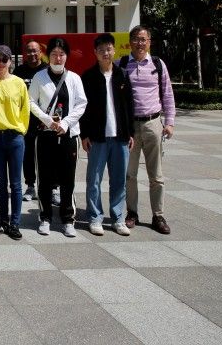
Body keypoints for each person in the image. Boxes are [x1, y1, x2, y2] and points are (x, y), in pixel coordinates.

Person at [29, 37, 87, 237]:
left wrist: (66, 123)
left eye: (62, 54)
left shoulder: (74, 78)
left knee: (67, 179)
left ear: (66, 56)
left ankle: (68, 219)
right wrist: (47, 120)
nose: (58, 57)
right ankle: (45, 217)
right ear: (48, 56)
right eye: (54, 54)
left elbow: (81, 103)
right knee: (44, 178)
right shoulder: (39, 77)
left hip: (69, 135)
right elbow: (31, 101)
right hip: (45, 135)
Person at [120, 25, 176, 234]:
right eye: (136, 39)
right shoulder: (121, 64)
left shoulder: (158, 64)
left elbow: (167, 94)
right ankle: (132, 213)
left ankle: (158, 215)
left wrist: (169, 122)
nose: (139, 43)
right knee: (130, 174)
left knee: (157, 175)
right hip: (130, 127)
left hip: (153, 124)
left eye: (143, 39)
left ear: (149, 42)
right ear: (130, 42)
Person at [81, 33, 135, 236]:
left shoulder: (122, 75)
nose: (106, 53)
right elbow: (83, 108)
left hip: (120, 137)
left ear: (114, 50)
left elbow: (129, 106)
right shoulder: (88, 77)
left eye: (109, 49)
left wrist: (130, 133)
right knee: (94, 179)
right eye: (101, 50)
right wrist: (84, 135)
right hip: (97, 137)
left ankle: (118, 218)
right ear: (95, 52)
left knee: (119, 180)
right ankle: (95, 217)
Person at [0, 45, 30, 240]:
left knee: (16, 184)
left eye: (5, 59)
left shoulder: (19, 83)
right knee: (1, 183)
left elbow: (25, 110)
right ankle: (3, 221)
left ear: (11, 61)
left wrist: (21, 130)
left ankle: (15, 223)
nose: (1, 63)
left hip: (15, 137)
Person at [13, 39, 47, 202]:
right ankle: (31, 186)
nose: (32, 54)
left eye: (35, 50)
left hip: (44, 120)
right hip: (25, 121)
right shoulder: (19, 71)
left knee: (46, 156)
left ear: (40, 52)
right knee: (27, 155)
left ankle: (51, 187)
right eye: (29, 51)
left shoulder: (47, 70)